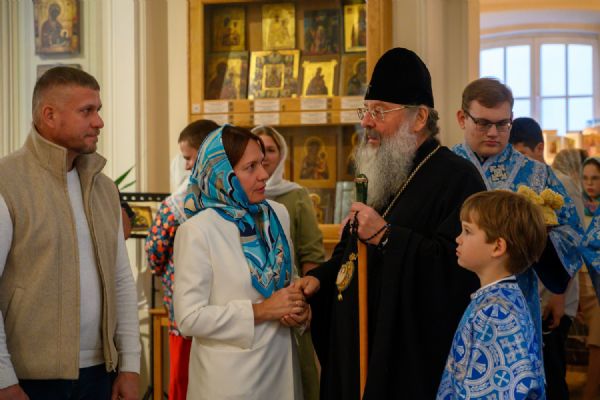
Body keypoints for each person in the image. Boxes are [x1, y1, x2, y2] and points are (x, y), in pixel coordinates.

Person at [294, 47, 486, 399]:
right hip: (357, 349)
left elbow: (457, 271)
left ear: (419, 117)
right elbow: (352, 254)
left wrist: (386, 236)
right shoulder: (382, 171)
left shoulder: (458, 178)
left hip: (405, 360)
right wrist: (319, 279)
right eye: (365, 110)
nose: (367, 122)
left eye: (379, 111)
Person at [0, 66, 140, 400]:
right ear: (49, 115)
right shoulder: (8, 183)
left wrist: (130, 365)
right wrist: (3, 379)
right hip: (29, 377)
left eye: (98, 110)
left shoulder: (104, 188)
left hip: (100, 373)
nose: (99, 122)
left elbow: (121, 279)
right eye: (86, 111)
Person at [452, 78, 584, 361]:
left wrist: (540, 235)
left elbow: (572, 234)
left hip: (516, 302)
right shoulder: (444, 168)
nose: (493, 133)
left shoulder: (537, 174)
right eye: (483, 123)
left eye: (503, 124)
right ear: (462, 118)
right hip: (451, 298)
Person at [173, 125, 308, 399]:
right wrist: (261, 311)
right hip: (231, 382)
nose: (264, 174)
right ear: (223, 174)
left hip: (281, 371)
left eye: (262, 163)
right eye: (250, 167)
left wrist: (300, 309)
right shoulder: (198, 230)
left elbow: (287, 280)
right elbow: (188, 318)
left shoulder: (277, 215)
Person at [437, 190, 546, 399]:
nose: (458, 239)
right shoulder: (496, 299)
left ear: (497, 247)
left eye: (467, 231)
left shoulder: (496, 313)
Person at [145, 119, 218, 400]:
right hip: (227, 310)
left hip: (186, 309)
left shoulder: (175, 205)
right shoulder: (237, 199)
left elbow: (155, 254)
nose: (186, 166)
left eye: (189, 157)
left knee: (184, 381)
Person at [509, 117, 581, 399]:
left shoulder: (561, 182)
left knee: (553, 370)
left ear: (540, 148)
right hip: (532, 291)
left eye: (523, 154)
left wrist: (558, 296)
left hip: (555, 294)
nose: (519, 163)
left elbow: (571, 240)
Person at [253, 125, 324, 400]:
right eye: (258, 149)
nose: (264, 156)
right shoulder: (237, 200)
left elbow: (311, 253)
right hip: (254, 309)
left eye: (271, 150)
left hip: (290, 305)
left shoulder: (295, 195)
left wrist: (303, 300)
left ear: (281, 154)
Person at [579, 156, 600, 400]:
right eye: (585, 178)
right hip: (579, 282)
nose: (590, 184)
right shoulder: (577, 207)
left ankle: (590, 393)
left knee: (597, 342)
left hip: (598, 281)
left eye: (595, 178)